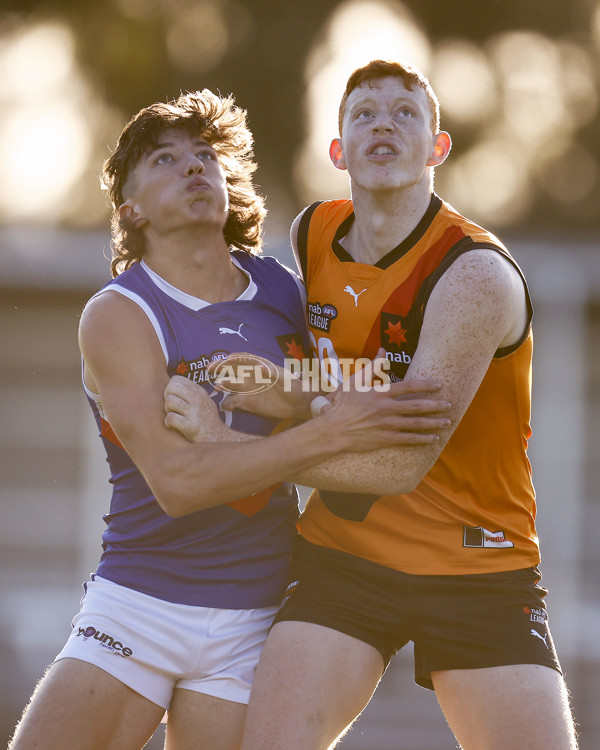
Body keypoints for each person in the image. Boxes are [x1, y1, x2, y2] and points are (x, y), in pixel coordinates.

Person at [8, 89, 450, 750]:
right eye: (165, 159)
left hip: (256, 617)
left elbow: (355, 392)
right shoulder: (120, 314)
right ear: (129, 209)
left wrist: (292, 400)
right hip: (139, 607)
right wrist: (323, 434)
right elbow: (179, 483)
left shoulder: (284, 292)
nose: (193, 168)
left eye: (204, 156)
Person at [165, 62, 579, 749]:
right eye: (363, 114)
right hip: (346, 556)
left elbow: (396, 466)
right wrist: (265, 381)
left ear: (436, 149)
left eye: (404, 113)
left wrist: (222, 445)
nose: (383, 123)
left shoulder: (473, 274)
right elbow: (342, 384)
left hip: (476, 562)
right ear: (339, 151)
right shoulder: (313, 233)